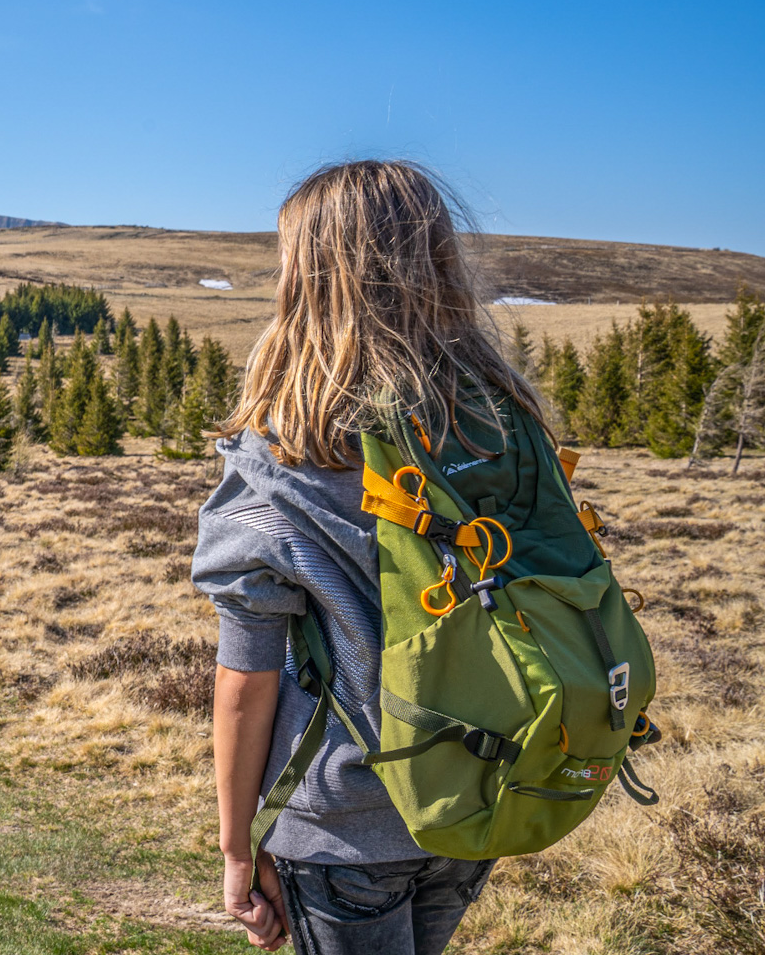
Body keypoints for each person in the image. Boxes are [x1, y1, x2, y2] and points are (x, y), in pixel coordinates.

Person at [191, 160, 541, 953]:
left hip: (344, 822)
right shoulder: (499, 426)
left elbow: (245, 683)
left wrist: (238, 847)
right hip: (476, 789)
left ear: (308, 280)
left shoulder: (282, 460)